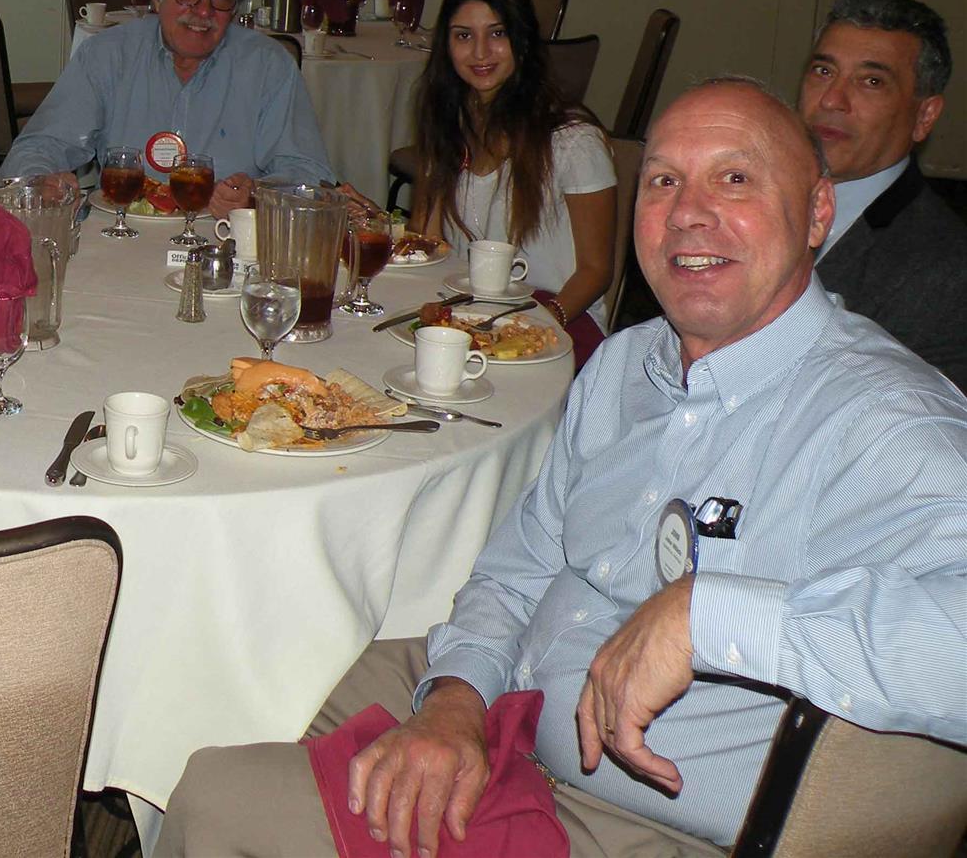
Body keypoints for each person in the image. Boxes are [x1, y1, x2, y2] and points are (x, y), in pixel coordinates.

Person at [158, 78, 967, 858]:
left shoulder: (880, 420)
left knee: (218, 795)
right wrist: (458, 695)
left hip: (625, 818)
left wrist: (708, 616)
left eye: (735, 178)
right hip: (508, 700)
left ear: (818, 211)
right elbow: (520, 567)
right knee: (255, 677)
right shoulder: (624, 366)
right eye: (664, 180)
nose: (689, 212)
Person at [1, 0, 333, 215]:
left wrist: (256, 195)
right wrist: (40, 182)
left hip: (225, 241)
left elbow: (308, 176)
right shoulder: (109, 55)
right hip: (120, 237)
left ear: (235, 8)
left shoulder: (268, 66)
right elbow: (37, 148)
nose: (203, 11)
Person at [407, 0, 616, 338]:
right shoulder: (447, 123)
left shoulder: (572, 141)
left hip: (561, 314)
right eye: (464, 36)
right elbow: (429, 244)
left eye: (497, 33)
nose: (480, 52)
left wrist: (541, 323)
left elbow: (596, 271)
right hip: (474, 307)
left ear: (522, 39)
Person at [798, 0, 967, 392]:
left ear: (924, 116)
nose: (832, 100)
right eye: (823, 71)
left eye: (871, 81)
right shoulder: (740, 197)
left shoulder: (946, 274)